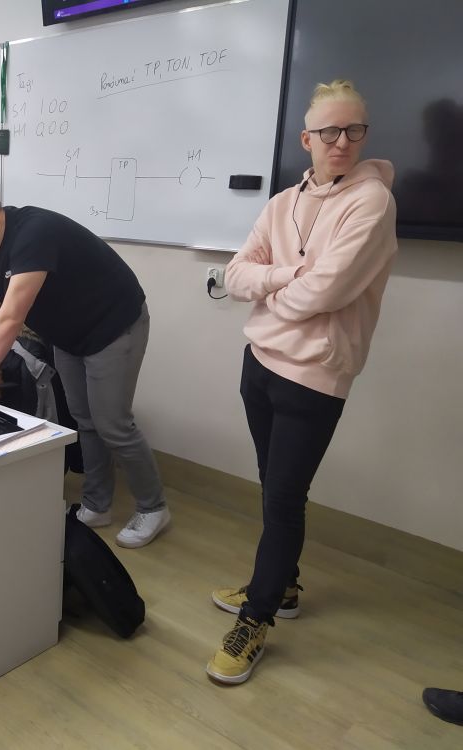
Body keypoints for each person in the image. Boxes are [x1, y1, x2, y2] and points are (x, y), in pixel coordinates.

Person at [206, 80, 398, 685]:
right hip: (259, 364)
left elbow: (327, 291)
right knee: (273, 489)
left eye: (354, 130)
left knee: (284, 500)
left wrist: (270, 290)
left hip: (315, 376)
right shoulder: (282, 201)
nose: (342, 142)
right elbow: (236, 274)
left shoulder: (372, 201)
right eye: (329, 131)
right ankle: (283, 586)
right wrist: (286, 277)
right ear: (306, 138)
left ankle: (257, 617)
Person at [0, 167, 170, 549]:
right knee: (84, 420)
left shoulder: (33, 234)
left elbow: (8, 319)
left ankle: (153, 508)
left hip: (114, 327)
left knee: (113, 424)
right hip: (68, 335)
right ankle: (97, 504)